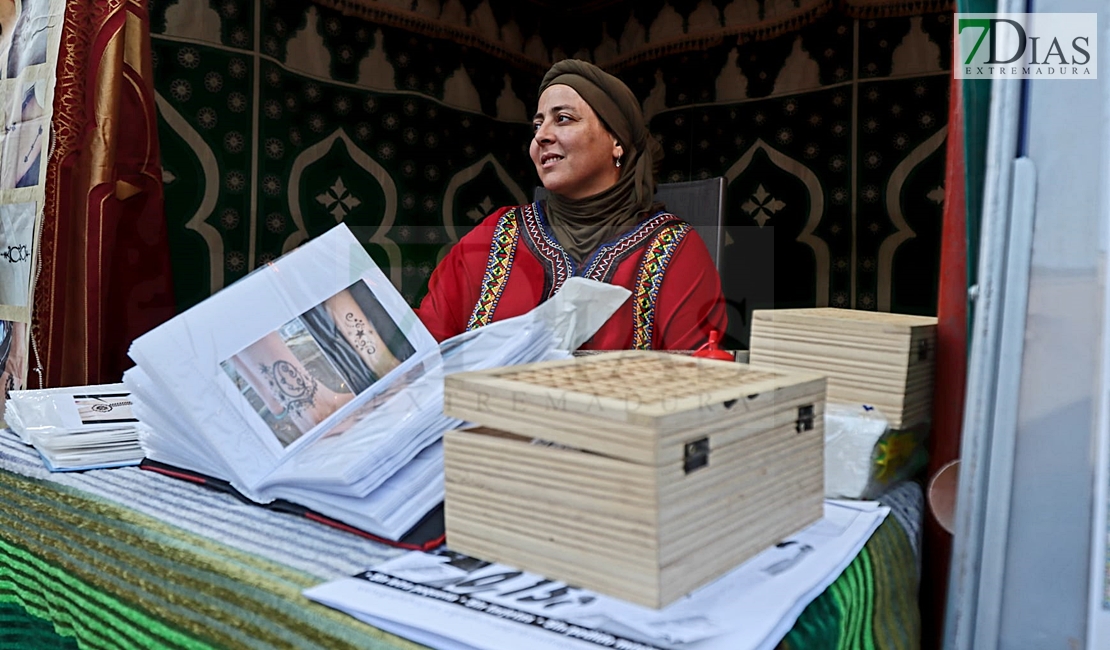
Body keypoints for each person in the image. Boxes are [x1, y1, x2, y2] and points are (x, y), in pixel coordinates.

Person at [417, 59, 726, 350]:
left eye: (562, 119)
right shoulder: (498, 233)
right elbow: (426, 344)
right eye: (537, 125)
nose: (541, 136)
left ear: (616, 140)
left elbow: (697, 381)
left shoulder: (672, 250)